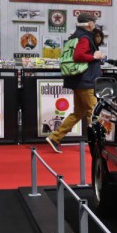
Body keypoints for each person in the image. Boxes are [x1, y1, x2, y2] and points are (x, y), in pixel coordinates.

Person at [46, 13, 105, 153]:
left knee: (78, 112)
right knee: (93, 112)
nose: (94, 25)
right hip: (86, 81)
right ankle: (96, 144)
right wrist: (94, 56)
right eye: (94, 23)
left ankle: (55, 137)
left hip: (77, 80)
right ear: (90, 24)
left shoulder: (74, 36)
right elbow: (78, 55)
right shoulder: (84, 37)